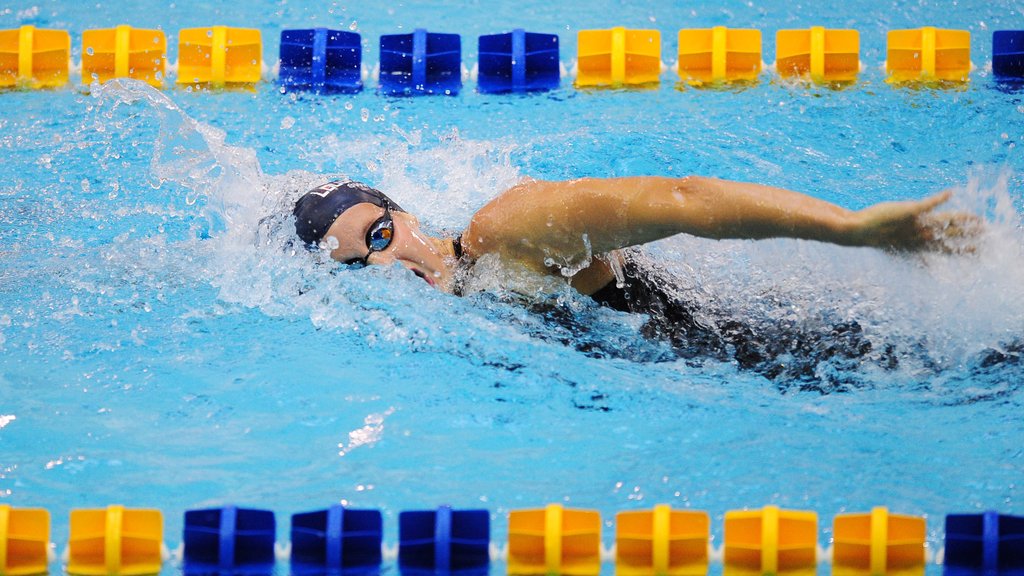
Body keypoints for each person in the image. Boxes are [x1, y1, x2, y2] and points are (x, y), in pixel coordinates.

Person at [292, 176, 974, 385]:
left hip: (810, 356)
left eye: (380, 236)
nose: (387, 266)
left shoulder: (503, 233)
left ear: (404, 214)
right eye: (358, 268)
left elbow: (682, 201)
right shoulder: (451, 318)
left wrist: (850, 228)